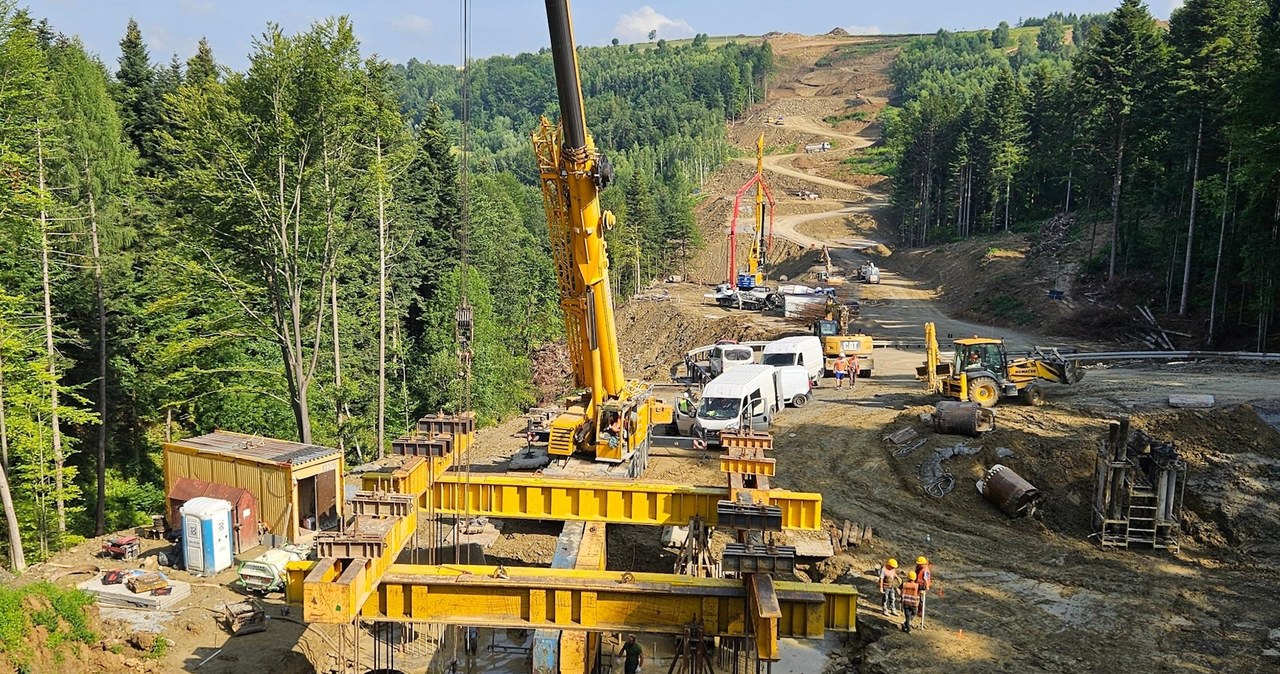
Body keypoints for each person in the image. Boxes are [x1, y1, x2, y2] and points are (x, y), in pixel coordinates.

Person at [915, 556, 932, 628]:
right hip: (917, 585)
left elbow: (926, 578)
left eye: (919, 564)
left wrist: (927, 586)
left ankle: (920, 611)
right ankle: (917, 609)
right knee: (917, 598)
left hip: (922, 586)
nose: (918, 565)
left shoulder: (925, 570)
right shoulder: (918, 568)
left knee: (921, 600)